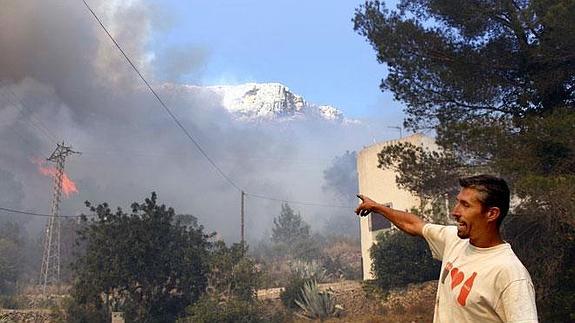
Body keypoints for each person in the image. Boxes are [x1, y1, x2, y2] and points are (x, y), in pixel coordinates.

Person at [355, 174, 538, 322]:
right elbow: (415, 225)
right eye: (458, 202)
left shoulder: (510, 274)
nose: (455, 211)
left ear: (491, 213)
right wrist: (378, 208)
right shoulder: (454, 241)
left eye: (465, 205)